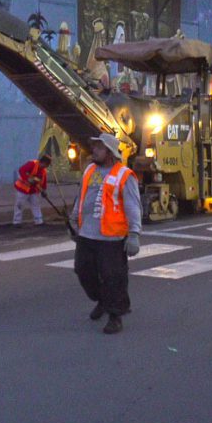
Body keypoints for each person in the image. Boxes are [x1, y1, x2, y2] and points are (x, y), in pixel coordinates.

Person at [69, 133, 142, 335]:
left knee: (113, 277)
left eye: (99, 148)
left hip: (111, 237)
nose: (94, 151)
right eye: (94, 147)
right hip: (87, 234)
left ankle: (115, 315)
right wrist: (74, 219)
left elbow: (133, 206)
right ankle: (102, 299)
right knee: (82, 270)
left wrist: (134, 234)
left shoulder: (124, 175)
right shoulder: (90, 170)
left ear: (109, 153)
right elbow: (82, 196)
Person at [13, 154, 52, 226]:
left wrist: (44, 191)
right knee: (19, 205)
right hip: (23, 189)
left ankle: (39, 221)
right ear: (42, 162)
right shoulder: (31, 164)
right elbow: (21, 170)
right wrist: (27, 179)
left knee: (36, 204)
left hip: (33, 190)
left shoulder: (43, 171)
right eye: (46, 165)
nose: (46, 167)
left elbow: (43, 182)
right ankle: (17, 222)